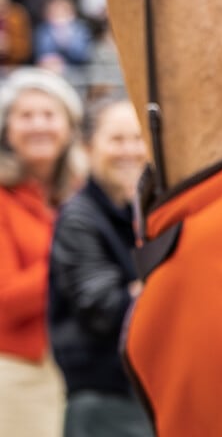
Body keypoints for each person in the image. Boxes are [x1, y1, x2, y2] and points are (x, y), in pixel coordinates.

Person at [48, 99, 151, 437]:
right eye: (117, 140)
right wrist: (162, 284)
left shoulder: (145, 212)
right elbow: (104, 309)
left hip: (143, 391)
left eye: (137, 139)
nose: (130, 151)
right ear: (88, 147)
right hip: (104, 397)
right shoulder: (79, 218)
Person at [0, 67, 85, 437]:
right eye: (26, 115)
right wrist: (72, 258)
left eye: (49, 115)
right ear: (7, 130)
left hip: (81, 369)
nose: (39, 125)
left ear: (68, 127)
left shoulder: (83, 197)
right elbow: (5, 300)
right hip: (19, 369)